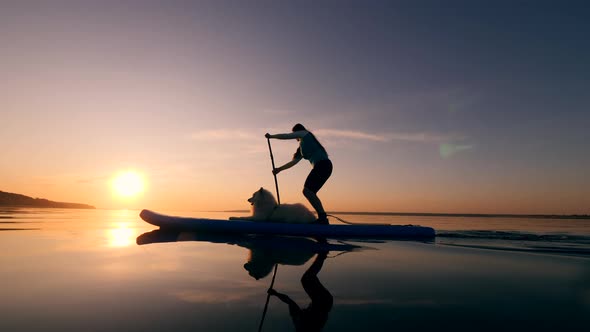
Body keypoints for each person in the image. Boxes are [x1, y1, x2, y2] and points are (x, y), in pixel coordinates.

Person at [265, 124, 333, 224]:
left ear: (297, 131)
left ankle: (322, 218)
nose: (294, 136)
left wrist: (271, 136)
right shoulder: (301, 149)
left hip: (323, 165)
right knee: (309, 192)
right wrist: (279, 169)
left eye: (294, 133)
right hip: (322, 167)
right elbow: (293, 162)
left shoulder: (305, 134)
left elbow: (286, 136)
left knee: (307, 191)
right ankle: (322, 218)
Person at [267, 251, 333, 331]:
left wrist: (276, 294)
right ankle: (322, 254)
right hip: (323, 302)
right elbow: (289, 301)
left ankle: (322, 255)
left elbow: (289, 301)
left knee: (308, 278)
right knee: (307, 279)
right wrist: (275, 293)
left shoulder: (299, 323)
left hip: (324, 302)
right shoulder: (303, 326)